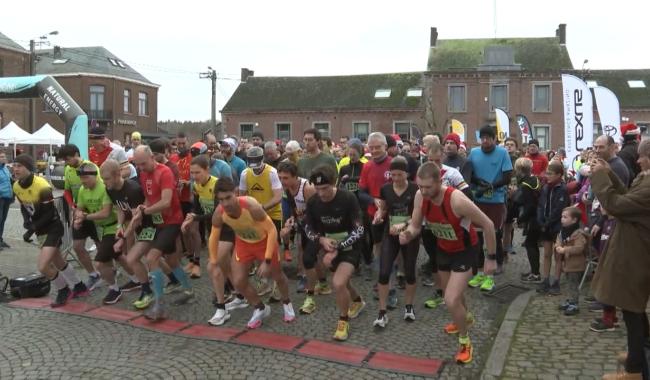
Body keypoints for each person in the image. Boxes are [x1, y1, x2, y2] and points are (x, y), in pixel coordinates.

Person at [400, 162, 496, 364]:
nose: (423, 191)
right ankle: (464, 317)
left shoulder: (456, 199)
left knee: (451, 299)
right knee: (452, 295)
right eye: (420, 187)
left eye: (428, 187)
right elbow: (416, 225)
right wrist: (407, 234)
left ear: (439, 181)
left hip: (465, 251)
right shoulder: (420, 197)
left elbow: (488, 224)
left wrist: (491, 258)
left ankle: (465, 341)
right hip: (443, 249)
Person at [591, 141, 650, 380]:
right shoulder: (645, 181)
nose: (638, 161)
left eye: (642, 157)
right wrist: (609, 174)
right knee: (632, 308)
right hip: (633, 250)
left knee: (632, 308)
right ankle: (640, 354)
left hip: (637, 254)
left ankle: (635, 369)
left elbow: (616, 204)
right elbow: (628, 197)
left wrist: (599, 178)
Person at [208, 178, 295, 329]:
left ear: (235, 193)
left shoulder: (251, 206)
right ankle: (260, 307)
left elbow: (272, 230)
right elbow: (213, 236)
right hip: (244, 243)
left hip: (265, 241)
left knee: (278, 276)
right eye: (221, 199)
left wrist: (267, 261)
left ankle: (287, 302)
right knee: (239, 281)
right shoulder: (219, 212)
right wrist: (214, 260)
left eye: (228, 197)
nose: (226, 203)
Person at [13, 154, 89, 307]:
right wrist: (27, 222)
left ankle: (63, 289)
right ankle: (79, 285)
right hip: (40, 229)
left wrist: (32, 228)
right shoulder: (16, 186)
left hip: (53, 227)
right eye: (14, 166)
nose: (15, 169)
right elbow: (24, 206)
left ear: (29, 168)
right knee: (58, 261)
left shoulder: (42, 186)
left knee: (43, 266)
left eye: (19, 166)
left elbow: (49, 214)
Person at [303, 165, 366, 341]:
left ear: (334, 183)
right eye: (317, 189)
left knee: (338, 283)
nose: (321, 193)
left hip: (350, 246)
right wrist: (321, 241)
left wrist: (337, 247)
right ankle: (358, 301)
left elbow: (359, 230)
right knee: (343, 281)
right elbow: (308, 228)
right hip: (329, 246)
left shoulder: (348, 198)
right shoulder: (313, 202)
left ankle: (343, 320)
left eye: (325, 188)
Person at [132, 146, 194, 320]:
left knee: (152, 258)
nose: (141, 168)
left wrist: (146, 211)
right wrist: (142, 207)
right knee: (172, 260)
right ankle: (189, 291)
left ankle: (159, 305)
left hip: (172, 221)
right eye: (138, 165)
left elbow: (166, 202)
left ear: (152, 157)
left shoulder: (165, 172)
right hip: (157, 221)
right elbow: (149, 198)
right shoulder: (143, 173)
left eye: (143, 163)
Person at [180, 155, 237, 326]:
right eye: (192, 173)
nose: (194, 176)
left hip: (228, 228)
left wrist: (195, 217)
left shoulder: (216, 185)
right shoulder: (197, 186)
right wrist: (192, 216)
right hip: (214, 229)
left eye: (198, 172)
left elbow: (215, 213)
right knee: (226, 267)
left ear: (207, 170)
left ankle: (221, 307)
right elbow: (198, 208)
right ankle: (239, 294)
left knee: (213, 265)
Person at [422, 141, 472, 308]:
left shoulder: (452, 173)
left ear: (442, 157)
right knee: (435, 259)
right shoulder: (423, 173)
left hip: (450, 225)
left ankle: (454, 294)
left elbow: (467, 195)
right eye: (430, 160)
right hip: (430, 224)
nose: (434, 164)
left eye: (437, 160)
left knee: (449, 261)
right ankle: (440, 291)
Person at [372, 157, 419, 327]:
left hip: (409, 234)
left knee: (409, 271)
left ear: (407, 174)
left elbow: (418, 216)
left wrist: (405, 225)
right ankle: (382, 312)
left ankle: (409, 306)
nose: (397, 179)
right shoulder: (385, 188)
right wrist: (379, 217)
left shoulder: (415, 189)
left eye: (400, 175)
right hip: (390, 233)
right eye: (393, 175)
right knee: (384, 271)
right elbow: (383, 209)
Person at [73, 163, 129, 304]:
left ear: (95, 176)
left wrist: (85, 217)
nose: (83, 181)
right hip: (100, 229)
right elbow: (79, 209)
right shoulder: (82, 189)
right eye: (80, 178)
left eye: (85, 177)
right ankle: (138, 279)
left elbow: (105, 213)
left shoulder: (104, 188)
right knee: (119, 257)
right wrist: (78, 218)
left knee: (100, 263)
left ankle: (115, 289)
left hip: (113, 228)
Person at [100, 160, 152, 306]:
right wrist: (119, 226)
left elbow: (137, 219)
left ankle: (148, 290)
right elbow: (121, 209)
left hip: (150, 224)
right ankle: (169, 281)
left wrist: (122, 238)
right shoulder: (110, 189)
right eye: (102, 179)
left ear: (117, 175)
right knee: (149, 258)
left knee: (140, 258)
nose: (104, 182)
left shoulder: (133, 190)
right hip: (136, 224)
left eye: (107, 179)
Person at [467, 125, 513, 291]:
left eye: (488, 138)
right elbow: (469, 173)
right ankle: (479, 271)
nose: (485, 141)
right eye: (482, 138)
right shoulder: (473, 153)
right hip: (478, 198)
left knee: (492, 235)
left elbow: (508, 176)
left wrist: (491, 186)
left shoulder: (502, 153)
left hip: (496, 200)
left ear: (494, 139)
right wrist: (479, 183)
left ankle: (490, 275)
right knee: (477, 236)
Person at [59, 144, 104, 288]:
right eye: (64, 160)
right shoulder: (68, 169)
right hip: (78, 213)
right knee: (78, 246)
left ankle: (109, 270)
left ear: (76, 154)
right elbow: (67, 190)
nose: (66, 163)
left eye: (68, 159)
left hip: (94, 213)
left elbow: (100, 188)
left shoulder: (91, 167)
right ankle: (93, 274)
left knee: (100, 245)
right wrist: (72, 205)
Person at [276, 161, 319, 302]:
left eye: (286, 178)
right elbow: (294, 209)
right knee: (301, 247)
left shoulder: (307, 188)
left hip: (316, 221)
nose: (282, 181)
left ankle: (318, 279)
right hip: (303, 220)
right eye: (280, 177)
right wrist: (291, 221)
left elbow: (316, 211)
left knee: (315, 250)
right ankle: (303, 276)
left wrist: (296, 222)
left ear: (295, 176)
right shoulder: (287, 188)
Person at [359, 132, 393, 274]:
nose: (373, 151)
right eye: (371, 148)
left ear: (385, 146)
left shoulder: (394, 163)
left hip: (392, 212)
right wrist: (374, 200)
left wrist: (386, 204)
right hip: (374, 213)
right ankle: (380, 272)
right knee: (377, 243)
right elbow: (361, 192)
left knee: (394, 243)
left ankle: (398, 272)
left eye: (377, 147)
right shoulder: (367, 166)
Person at [536, 161, 569, 295]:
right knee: (547, 253)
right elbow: (541, 205)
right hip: (545, 225)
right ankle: (545, 280)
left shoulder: (562, 189)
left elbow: (558, 209)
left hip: (556, 226)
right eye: (547, 173)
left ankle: (556, 281)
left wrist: (547, 223)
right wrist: (540, 219)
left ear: (559, 175)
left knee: (557, 255)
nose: (547, 176)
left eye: (550, 174)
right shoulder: (545, 187)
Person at [511, 157, 542, 283]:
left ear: (519, 170)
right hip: (539, 215)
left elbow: (529, 206)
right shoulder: (534, 179)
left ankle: (535, 274)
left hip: (534, 219)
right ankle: (535, 272)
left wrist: (519, 220)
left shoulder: (525, 185)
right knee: (532, 244)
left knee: (530, 244)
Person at [555, 207, 588, 316]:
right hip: (567, 264)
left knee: (573, 284)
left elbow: (579, 248)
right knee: (569, 283)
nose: (562, 219)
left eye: (565, 217)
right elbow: (558, 240)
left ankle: (574, 304)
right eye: (562, 217)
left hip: (576, 264)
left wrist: (565, 250)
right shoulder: (563, 231)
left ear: (574, 220)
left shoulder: (578, 233)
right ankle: (570, 300)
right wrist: (558, 247)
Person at [0, 150, 13, 249]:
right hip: (0, 198)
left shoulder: (5, 168)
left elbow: (9, 181)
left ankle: (0, 240)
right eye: (1, 157)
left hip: (7, 197)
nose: (4, 158)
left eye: (4, 156)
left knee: (3, 219)